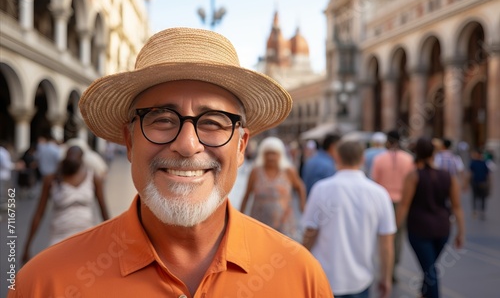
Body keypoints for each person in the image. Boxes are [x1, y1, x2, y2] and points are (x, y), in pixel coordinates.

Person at [11, 27, 332, 297]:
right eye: (161, 119)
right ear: (129, 140)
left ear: (241, 146)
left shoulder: (302, 278)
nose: (187, 145)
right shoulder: (42, 284)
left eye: (213, 122)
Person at [302, 139, 396, 298]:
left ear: (336, 157)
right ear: (362, 159)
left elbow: (310, 232)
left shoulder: (321, 189)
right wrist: (386, 278)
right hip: (360, 279)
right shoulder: (379, 194)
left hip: (324, 276)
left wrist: (300, 265)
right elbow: (386, 244)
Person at [396, 137, 465, 298]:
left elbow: (404, 205)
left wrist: (395, 228)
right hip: (442, 228)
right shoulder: (448, 176)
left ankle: (430, 294)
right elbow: (457, 207)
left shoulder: (414, 176)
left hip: (419, 229)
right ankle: (424, 293)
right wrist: (461, 232)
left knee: (430, 269)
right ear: (434, 153)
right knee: (430, 266)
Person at [21, 145, 109, 263]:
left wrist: (111, 242)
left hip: (86, 236)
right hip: (59, 237)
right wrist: (27, 246)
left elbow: (104, 211)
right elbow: (39, 213)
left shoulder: (93, 177)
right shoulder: (52, 179)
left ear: (82, 160)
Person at [240, 136, 306, 240]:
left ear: (280, 154)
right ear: (262, 154)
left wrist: (302, 206)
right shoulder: (256, 172)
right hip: (260, 222)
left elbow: (300, 187)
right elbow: (247, 194)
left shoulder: (288, 171)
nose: (271, 157)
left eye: (274, 153)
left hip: (284, 223)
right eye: (268, 153)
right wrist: (240, 216)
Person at [371, 129, 414, 282]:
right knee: (398, 236)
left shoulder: (379, 159)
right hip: (402, 202)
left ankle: (384, 268)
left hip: (383, 202)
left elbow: (374, 182)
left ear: (387, 142)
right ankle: (393, 268)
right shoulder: (409, 159)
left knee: (383, 235)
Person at [468, 148, 490, 220]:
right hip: (475, 181)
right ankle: (475, 210)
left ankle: (482, 210)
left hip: (482, 182)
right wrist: (467, 181)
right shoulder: (473, 162)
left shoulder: (484, 163)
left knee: (483, 197)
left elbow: (487, 174)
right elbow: (470, 173)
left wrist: (489, 183)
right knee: (475, 196)